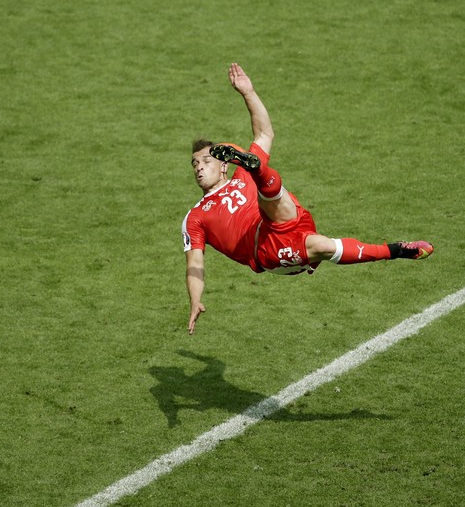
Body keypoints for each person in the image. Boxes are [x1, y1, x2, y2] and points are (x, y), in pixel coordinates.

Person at [182, 63, 432, 334]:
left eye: (206, 160)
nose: (198, 167)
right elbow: (195, 263)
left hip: (288, 219)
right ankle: (397, 250)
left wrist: (248, 92)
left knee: (272, 197)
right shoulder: (195, 217)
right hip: (266, 249)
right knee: (323, 246)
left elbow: (265, 133)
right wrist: (195, 299)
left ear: (223, 165)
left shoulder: (238, 175)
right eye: (194, 164)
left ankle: (259, 170)